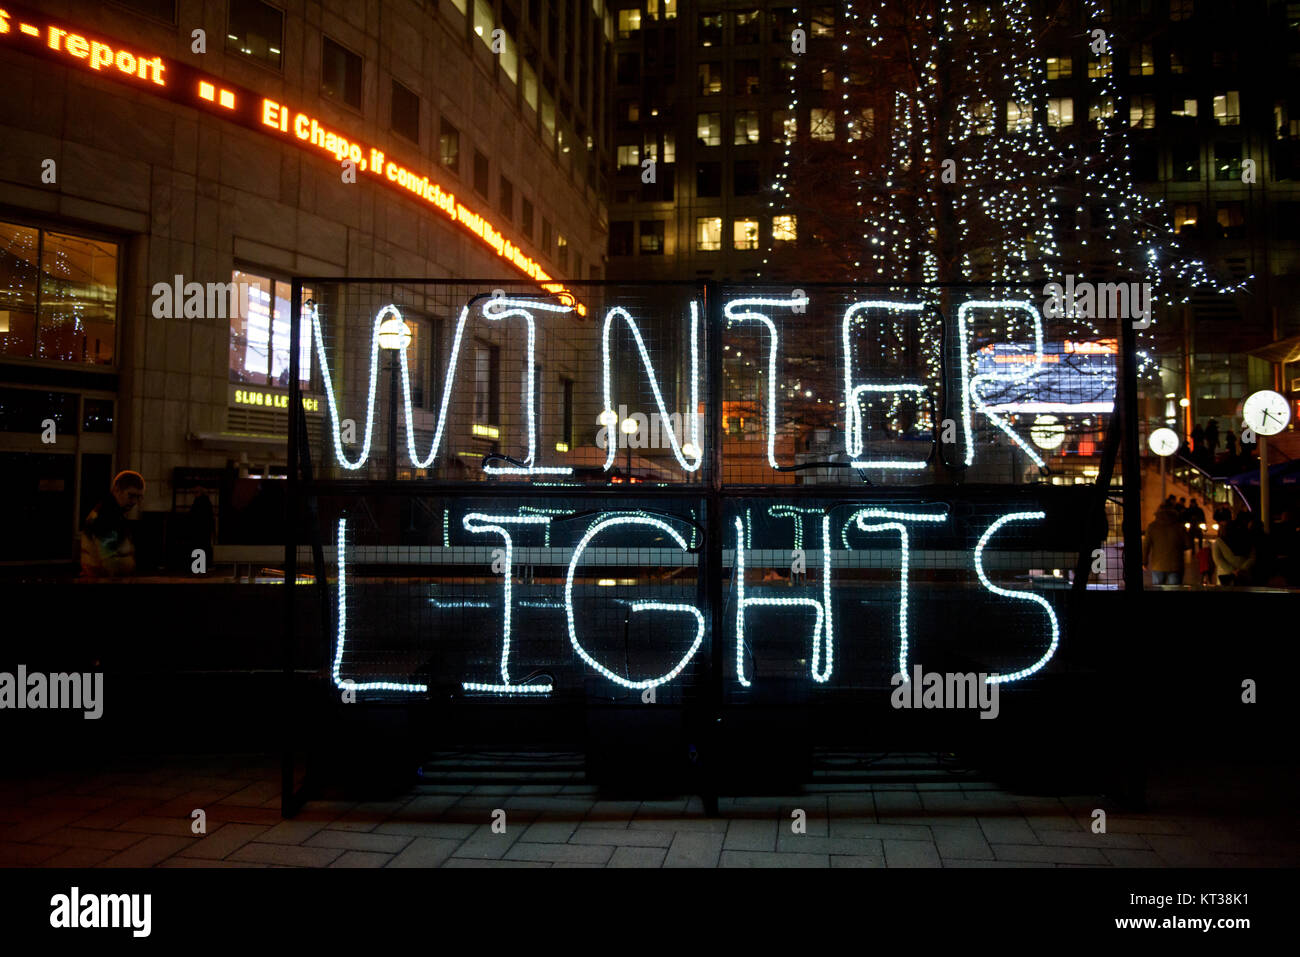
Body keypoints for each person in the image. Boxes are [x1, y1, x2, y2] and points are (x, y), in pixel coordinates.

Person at [81, 470, 145, 578]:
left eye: (138, 497)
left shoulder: (109, 513)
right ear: (117, 490)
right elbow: (110, 563)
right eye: (131, 495)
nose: (134, 501)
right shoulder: (107, 517)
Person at [1143, 503, 1190, 586]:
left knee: (1158, 589)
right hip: (1176, 565)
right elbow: (1188, 545)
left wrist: (1144, 562)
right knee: (1174, 589)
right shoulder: (1180, 527)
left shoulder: (1152, 527)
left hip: (1158, 565)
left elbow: (1146, 546)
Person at [1212, 518, 1256, 586]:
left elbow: (1218, 559)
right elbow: (1252, 558)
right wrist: (1241, 570)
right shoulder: (1248, 541)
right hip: (1244, 575)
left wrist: (1232, 571)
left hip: (1225, 577)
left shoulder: (1219, 542)